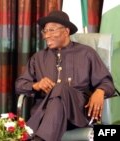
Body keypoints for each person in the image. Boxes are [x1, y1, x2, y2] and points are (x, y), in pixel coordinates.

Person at [15, 10, 115, 141]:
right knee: (58, 92)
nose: (46, 35)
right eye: (45, 31)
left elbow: (107, 83)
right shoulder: (38, 58)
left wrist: (100, 91)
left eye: (51, 30)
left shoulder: (87, 53)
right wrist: (36, 85)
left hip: (78, 113)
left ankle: (32, 134)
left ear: (66, 31)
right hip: (46, 115)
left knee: (60, 88)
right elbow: (19, 85)